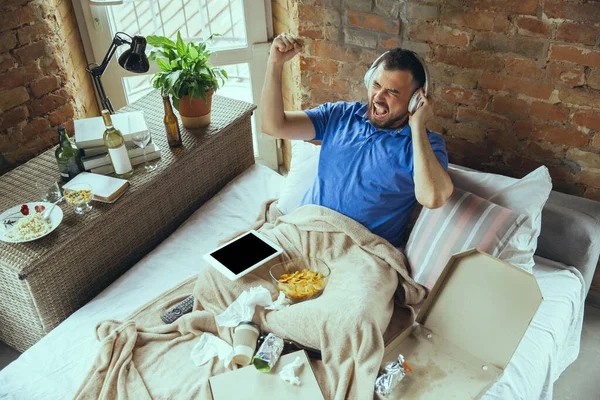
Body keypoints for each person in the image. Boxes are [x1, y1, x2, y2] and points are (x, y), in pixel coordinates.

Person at [261, 33, 454, 247]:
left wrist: (416, 126)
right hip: (302, 231)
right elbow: (273, 125)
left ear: (416, 100)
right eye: (376, 84)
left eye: (392, 91)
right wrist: (275, 63)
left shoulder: (424, 145)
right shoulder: (340, 115)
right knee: (228, 272)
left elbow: (433, 198)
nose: (379, 97)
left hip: (359, 250)